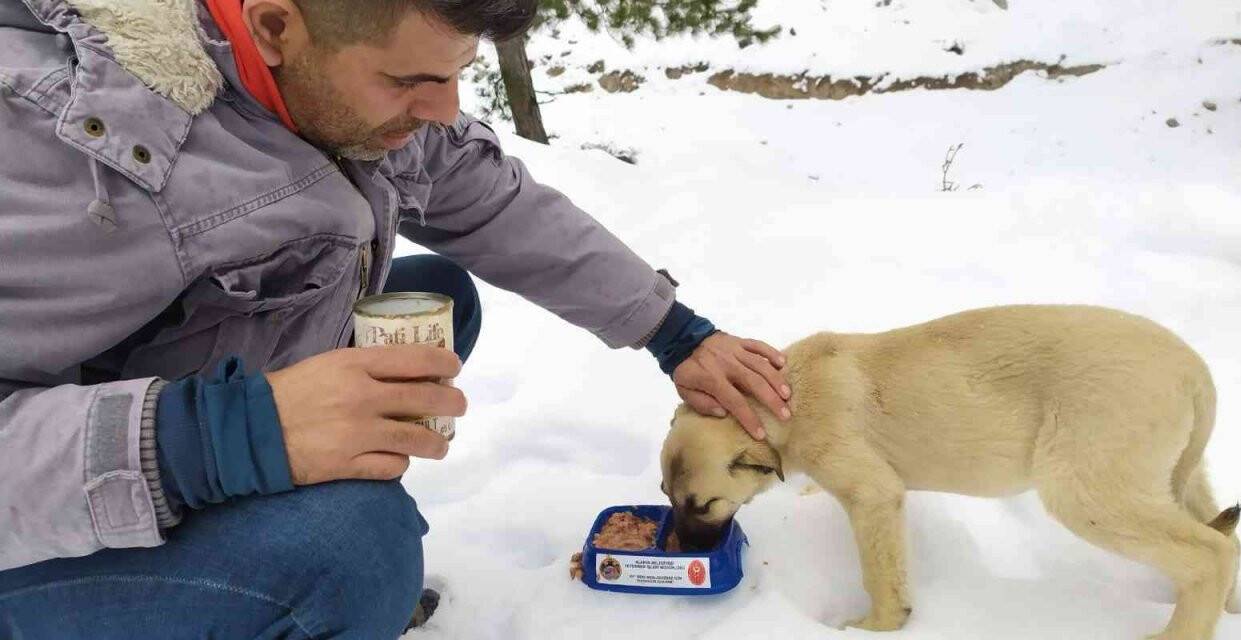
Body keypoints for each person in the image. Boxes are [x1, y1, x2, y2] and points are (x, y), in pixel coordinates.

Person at [0, 0, 792, 636]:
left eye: (457, 76)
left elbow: (493, 203)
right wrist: (216, 437)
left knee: (435, 303)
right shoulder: (64, 151)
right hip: (37, 537)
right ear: (275, 26)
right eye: (409, 80)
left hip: (170, 434)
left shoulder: (334, 88)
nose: (444, 109)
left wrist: (673, 332)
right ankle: (292, 586)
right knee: (354, 550)